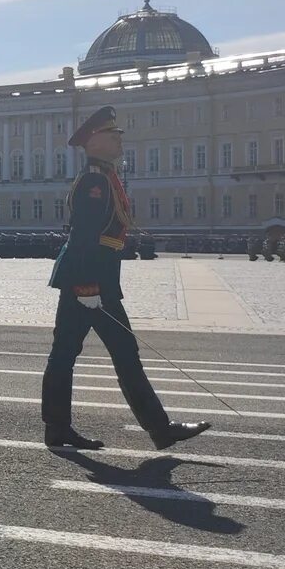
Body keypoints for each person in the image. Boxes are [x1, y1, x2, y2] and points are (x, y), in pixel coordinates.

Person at [42, 107, 209, 451]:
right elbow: (85, 235)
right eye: (112, 134)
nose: (119, 139)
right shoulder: (94, 182)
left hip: (96, 282)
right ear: (94, 141)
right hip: (87, 284)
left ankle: (155, 429)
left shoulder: (105, 178)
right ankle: (154, 429)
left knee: (103, 353)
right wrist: (87, 287)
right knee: (75, 354)